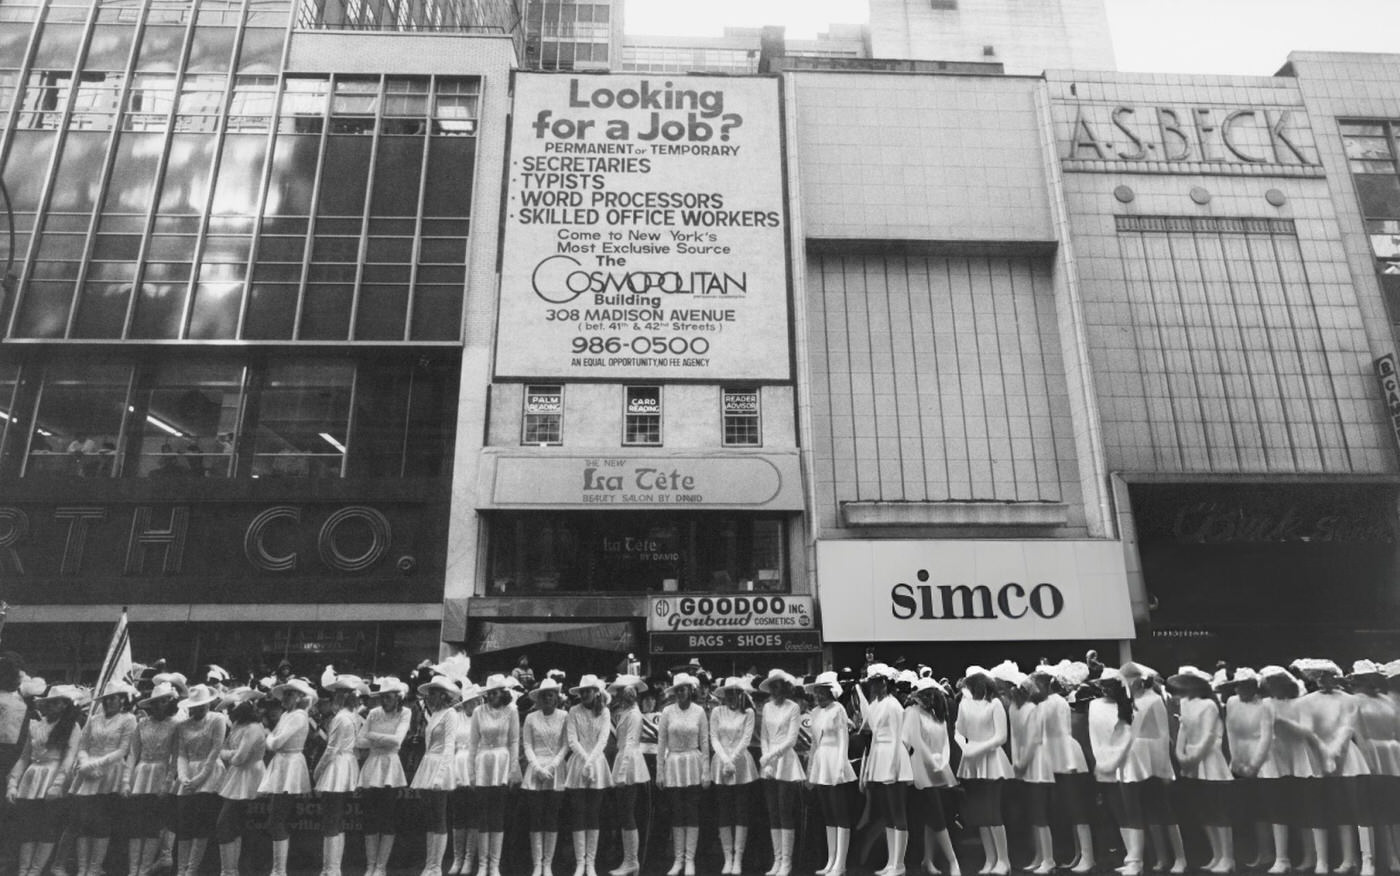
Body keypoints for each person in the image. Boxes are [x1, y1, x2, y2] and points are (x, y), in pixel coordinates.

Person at [1296, 659, 1373, 876]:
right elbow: (1308, 732)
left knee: (1355, 810)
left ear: (1335, 677)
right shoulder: (1305, 702)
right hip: (1317, 759)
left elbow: (1348, 730)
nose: (1322, 680)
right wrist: (1322, 757)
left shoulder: (1349, 700)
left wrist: (1333, 755)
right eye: (1318, 676)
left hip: (1347, 759)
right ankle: (1329, 860)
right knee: (1325, 809)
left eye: (1326, 675)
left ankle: (1361, 860)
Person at [7, 684, 82, 876]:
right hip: (32, 778)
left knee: (47, 827)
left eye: (55, 702)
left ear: (64, 705)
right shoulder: (36, 725)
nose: (50, 706)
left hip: (53, 775)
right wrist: (13, 783)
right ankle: (23, 870)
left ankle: (36, 870)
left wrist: (58, 784)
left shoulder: (71, 727)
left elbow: (69, 757)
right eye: (49, 702)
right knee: (29, 826)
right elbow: (24, 756)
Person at [1120, 663, 1185, 874]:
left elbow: (1163, 734)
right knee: (1149, 810)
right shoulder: (1131, 702)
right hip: (1137, 763)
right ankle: (1161, 857)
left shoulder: (1154, 700)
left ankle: (1180, 858)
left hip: (1155, 762)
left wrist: (1164, 767)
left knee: (1164, 809)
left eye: (1131, 679)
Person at [1168, 666, 1233, 874]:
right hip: (1190, 762)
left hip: (1209, 761)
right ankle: (1216, 855)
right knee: (1205, 811)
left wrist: (1193, 758)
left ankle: (1228, 858)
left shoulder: (1209, 705)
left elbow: (1208, 736)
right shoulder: (1185, 703)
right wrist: (1181, 756)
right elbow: (1183, 730)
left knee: (1217, 810)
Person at [71, 680, 137, 876]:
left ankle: (94, 868)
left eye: (113, 699)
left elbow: (122, 750)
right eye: (106, 699)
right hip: (88, 772)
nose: (109, 702)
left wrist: (96, 764)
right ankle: (82, 869)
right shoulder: (93, 719)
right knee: (84, 821)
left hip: (110, 772)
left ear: (122, 700)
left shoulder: (128, 719)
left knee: (101, 821)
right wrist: (85, 764)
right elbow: (82, 746)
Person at [1035, 663, 1095, 874]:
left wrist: (1068, 762)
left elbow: (1061, 731)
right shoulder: (1048, 702)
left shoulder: (1055, 702)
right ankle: (1079, 854)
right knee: (1070, 810)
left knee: (1077, 809)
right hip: (1057, 756)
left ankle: (1088, 856)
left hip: (1067, 756)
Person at [954, 666, 1012, 876]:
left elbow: (1001, 737)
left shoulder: (995, 704)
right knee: (980, 814)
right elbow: (958, 731)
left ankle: (1004, 861)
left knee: (992, 812)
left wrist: (977, 748)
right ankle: (990, 859)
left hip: (992, 762)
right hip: (972, 763)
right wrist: (966, 747)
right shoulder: (964, 704)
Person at [1222, 668, 1280, 872]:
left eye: (1245, 685)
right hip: (1239, 760)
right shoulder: (1231, 702)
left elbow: (1267, 737)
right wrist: (1237, 761)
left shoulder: (1266, 705)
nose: (1239, 689)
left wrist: (1254, 765)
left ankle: (1273, 853)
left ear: (1254, 687)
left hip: (1263, 760)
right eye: (1237, 685)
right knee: (1248, 808)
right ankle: (1259, 852)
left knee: (1265, 808)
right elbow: (1231, 733)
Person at [258, 677, 315, 876]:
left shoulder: (299, 716)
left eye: (290, 694)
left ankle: (279, 871)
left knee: (277, 819)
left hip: (290, 765)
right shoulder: (287, 715)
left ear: (299, 697)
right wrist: (270, 737)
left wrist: (268, 735)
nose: (284, 697)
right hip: (282, 764)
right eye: (286, 693)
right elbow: (274, 740)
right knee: (276, 819)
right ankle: (278, 870)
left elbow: (275, 743)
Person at [902, 677, 959, 876]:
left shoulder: (937, 715)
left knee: (931, 814)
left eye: (929, 695)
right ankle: (953, 861)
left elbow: (945, 742)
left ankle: (928, 860)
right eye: (923, 695)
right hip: (920, 770)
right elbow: (914, 742)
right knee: (935, 814)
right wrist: (933, 762)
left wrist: (942, 762)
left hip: (938, 770)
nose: (926, 698)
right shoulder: (913, 713)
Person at [861, 663, 913, 876]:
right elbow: (871, 735)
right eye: (871, 682)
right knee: (888, 814)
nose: (872, 686)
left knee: (897, 812)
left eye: (875, 682)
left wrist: (892, 768)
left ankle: (899, 864)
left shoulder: (893, 705)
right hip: (879, 757)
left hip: (894, 759)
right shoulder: (875, 704)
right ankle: (892, 862)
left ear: (885, 683)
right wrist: (869, 769)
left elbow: (898, 737)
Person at [656, 673, 710, 876]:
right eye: (677, 689)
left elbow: (705, 742)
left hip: (693, 763)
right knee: (677, 811)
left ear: (690, 691)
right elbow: (661, 743)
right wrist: (659, 771)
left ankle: (690, 861)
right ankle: (678, 860)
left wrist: (706, 771)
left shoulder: (699, 712)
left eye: (683, 689)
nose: (680, 693)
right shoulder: (667, 712)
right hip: (673, 764)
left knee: (692, 811)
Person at [1350, 661, 1400, 876]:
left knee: (1394, 804)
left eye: (1372, 676)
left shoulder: (1388, 701)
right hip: (1371, 753)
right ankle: (1380, 857)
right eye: (1364, 677)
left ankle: (1396, 854)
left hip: (1392, 753)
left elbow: (1396, 731)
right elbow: (1359, 734)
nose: (1369, 681)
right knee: (1374, 806)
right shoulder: (1354, 702)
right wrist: (1367, 760)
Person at [1089, 668, 1141, 875]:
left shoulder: (1128, 707)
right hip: (1102, 762)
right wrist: (1100, 761)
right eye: (1103, 685)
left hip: (1124, 763)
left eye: (1110, 685)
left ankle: (1134, 858)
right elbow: (1094, 735)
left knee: (1127, 811)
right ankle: (1129, 856)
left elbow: (1128, 737)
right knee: (1115, 811)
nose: (1105, 689)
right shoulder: (1094, 705)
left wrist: (1113, 761)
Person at [126, 683, 180, 876]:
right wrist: (126, 780)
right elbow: (133, 753)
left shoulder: (175, 725)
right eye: (157, 702)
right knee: (136, 823)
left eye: (164, 701)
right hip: (141, 774)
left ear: (170, 703)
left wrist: (167, 782)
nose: (160, 705)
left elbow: (175, 756)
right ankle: (133, 869)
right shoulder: (142, 724)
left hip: (160, 772)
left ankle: (144, 868)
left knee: (152, 824)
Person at [173, 685, 228, 876]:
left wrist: (198, 779)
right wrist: (183, 777)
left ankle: (192, 870)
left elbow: (215, 752)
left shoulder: (218, 719)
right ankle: (181, 870)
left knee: (201, 825)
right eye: (195, 706)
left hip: (210, 775)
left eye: (202, 705)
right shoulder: (182, 725)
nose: (198, 709)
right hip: (187, 776)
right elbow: (181, 754)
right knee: (185, 825)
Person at [412, 671, 463, 876]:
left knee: (440, 816)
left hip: (440, 766)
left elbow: (449, 745)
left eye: (433, 693)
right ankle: (429, 864)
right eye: (429, 693)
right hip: (428, 764)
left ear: (443, 695)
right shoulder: (433, 714)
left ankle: (436, 867)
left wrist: (440, 776)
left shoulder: (450, 714)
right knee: (431, 817)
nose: (429, 697)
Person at [315, 675, 366, 876]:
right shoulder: (353, 716)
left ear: (341, 697)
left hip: (337, 766)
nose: (334, 697)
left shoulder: (340, 718)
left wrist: (318, 771)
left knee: (331, 817)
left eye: (336, 694)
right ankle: (332, 868)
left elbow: (331, 749)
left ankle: (331, 869)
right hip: (347, 763)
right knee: (337, 817)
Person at [470, 675, 521, 876]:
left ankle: (494, 865)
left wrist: (513, 769)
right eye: (489, 692)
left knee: (498, 814)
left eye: (495, 692)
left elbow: (515, 741)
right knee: (483, 814)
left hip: (502, 762)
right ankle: (482, 865)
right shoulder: (477, 711)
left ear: (503, 693)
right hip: (483, 762)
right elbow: (473, 743)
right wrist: (471, 772)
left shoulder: (512, 711)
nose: (492, 696)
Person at [361, 677, 412, 876]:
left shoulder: (405, 713)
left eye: (388, 697)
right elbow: (360, 740)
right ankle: (370, 865)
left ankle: (381, 867)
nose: (385, 700)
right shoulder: (374, 713)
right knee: (370, 818)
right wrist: (380, 740)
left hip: (391, 767)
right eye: (382, 697)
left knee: (387, 817)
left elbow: (397, 741)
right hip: (372, 766)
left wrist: (372, 736)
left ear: (398, 697)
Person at [213, 687, 266, 876]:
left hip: (250, 776)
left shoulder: (253, 728)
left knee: (227, 823)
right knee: (232, 825)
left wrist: (226, 754)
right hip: (237, 777)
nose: (229, 712)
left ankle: (231, 871)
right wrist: (228, 753)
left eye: (232, 708)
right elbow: (226, 748)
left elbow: (239, 758)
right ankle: (231, 870)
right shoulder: (239, 725)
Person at [565, 676, 614, 876]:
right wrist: (585, 761)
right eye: (582, 691)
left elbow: (603, 740)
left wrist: (591, 762)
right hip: (578, 764)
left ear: (596, 692)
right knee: (578, 814)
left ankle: (590, 863)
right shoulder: (573, 711)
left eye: (588, 691)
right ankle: (580, 862)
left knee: (593, 814)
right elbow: (571, 740)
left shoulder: (605, 712)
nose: (584, 694)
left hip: (597, 765)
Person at [758, 670, 805, 876]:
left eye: (778, 685)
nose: (775, 690)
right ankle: (777, 861)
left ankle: (787, 862)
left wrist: (770, 757)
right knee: (773, 812)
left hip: (785, 760)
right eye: (772, 686)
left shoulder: (793, 707)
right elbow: (764, 736)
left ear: (785, 687)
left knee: (785, 811)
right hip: (768, 762)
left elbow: (791, 740)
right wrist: (766, 760)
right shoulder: (767, 707)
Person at [710, 677, 758, 876]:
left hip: (741, 765)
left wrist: (732, 760)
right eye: (729, 693)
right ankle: (727, 858)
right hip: (721, 764)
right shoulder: (716, 712)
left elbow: (746, 739)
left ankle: (738, 858)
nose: (732, 697)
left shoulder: (749, 713)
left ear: (742, 695)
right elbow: (714, 737)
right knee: (723, 811)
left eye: (736, 693)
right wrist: (725, 760)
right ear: (724, 695)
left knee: (741, 811)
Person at [522, 677, 569, 876]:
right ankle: (537, 864)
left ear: (556, 697)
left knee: (551, 817)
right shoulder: (531, 718)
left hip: (556, 770)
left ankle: (548, 863)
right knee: (536, 817)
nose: (548, 697)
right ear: (540, 698)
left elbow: (566, 745)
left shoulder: (565, 716)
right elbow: (527, 745)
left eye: (551, 694)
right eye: (544, 695)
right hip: (535, 770)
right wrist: (538, 768)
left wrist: (552, 766)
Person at [605, 675, 649, 876]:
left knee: (627, 813)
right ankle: (629, 860)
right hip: (625, 759)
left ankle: (632, 861)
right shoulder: (624, 713)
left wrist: (621, 773)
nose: (623, 696)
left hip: (630, 763)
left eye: (627, 693)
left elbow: (630, 743)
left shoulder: (633, 715)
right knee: (624, 813)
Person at [447, 681, 484, 876]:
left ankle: (469, 859)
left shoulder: (481, 717)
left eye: (476, 701)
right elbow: (450, 742)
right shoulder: (456, 716)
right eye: (469, 701)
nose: (473, 704)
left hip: (476, 766)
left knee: (474, 815)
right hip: (457, 767)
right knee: (458, 815)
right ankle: (457, 859)